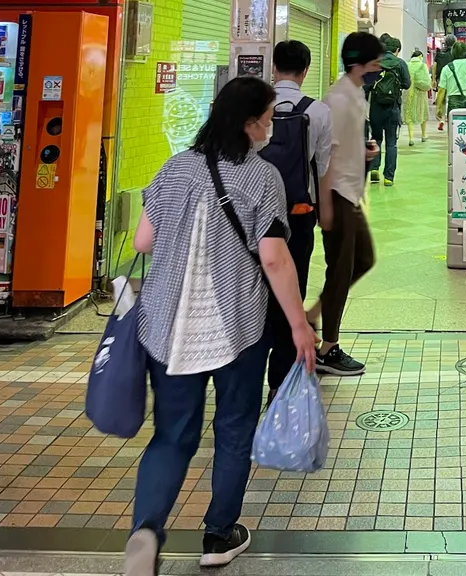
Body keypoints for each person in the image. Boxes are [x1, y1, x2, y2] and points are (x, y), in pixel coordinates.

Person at [125, 77, 316, 576]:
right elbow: (275, 260)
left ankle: (146, 531)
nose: (272, 128)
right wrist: (299, 326)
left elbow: (144, 241)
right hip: (237, 328)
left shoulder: (174, 169)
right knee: (233, 430)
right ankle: (217, 536)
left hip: (168, 328)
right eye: (269, 119)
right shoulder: (261, 177)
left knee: (171, 436)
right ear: (250, 122)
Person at [307, 32, 384, 377]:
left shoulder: (356, 92)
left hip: (351, 193)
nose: (379, 66)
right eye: (375, 60)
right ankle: (328, 348)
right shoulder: (336, 98)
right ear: (359, 62)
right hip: (336, 194)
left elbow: (345, 144)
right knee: (339, 269)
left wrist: (363, 150)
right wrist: (324, 205)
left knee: (363, 260)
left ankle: (313, 316)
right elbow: (325, 155)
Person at [261, 39, 332, 398]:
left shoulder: (257, 104)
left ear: (274, 67)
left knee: (255, 289)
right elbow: (322, 167)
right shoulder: (317, 111)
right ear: (305, 71)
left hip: (254, 216)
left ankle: (248, 372)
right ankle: (281, 383)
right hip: (298, 213)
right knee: (294, 289)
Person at [367, 36, 410, 186]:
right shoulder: (400, 63)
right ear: (397, 50)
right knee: (391, 143)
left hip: (376, 108)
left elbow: (365, 87)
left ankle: (374, 169)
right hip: (393, 108)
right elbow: (407, 84)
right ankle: (388, 177)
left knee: (376, 138)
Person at [406, 48, 431, 145]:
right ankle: (424, 135)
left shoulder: (407, 65)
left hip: (409, 92)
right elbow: (426, 81)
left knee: (409, 115)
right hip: (420, 93)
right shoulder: (422, 65)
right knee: (423, 114)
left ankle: (411, 138)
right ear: (420, 56)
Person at [433, 34, 456, 130]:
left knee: (442, 99)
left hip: (441, 78)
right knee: (451, 98)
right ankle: (449, 116)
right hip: (453, 78)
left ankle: (442, 118)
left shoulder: (439, 53)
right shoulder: (455, 54)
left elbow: (435, 66)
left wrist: (433, 79)